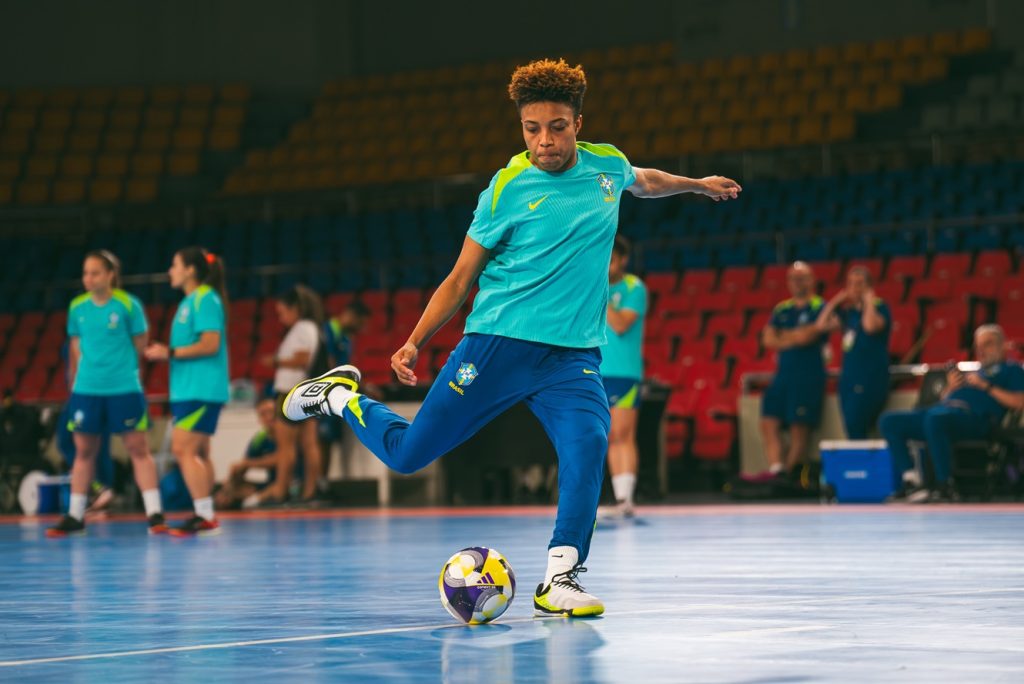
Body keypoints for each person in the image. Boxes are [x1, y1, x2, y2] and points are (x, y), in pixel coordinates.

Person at [281, 58, 740, 617]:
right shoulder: (505, 188)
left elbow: (645, 181)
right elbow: (459, 279)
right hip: (495, 345)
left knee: (589, 444)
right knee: (409, 455)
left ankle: (560, 578)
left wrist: (697, 185)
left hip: (571, 357)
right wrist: (414, 342)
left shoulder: (606, 165)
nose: (544, 140)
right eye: (531, 128)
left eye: (557, 126)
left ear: (578, 122)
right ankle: (339, 397)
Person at [47, 250, 166, 537]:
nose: (88, 278)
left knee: (138, 449)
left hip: (124, 388)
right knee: (84, 452)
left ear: (110, 274)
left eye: (95, 272)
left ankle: (155, 514)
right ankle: (75, 516)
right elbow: (75, 347)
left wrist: (119, 367)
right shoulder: (77, 307)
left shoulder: (129, 304)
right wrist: (74, 381)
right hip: (86, 391)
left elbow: (141, 343)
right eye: (85, 273)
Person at [880, 324, 1024, 503]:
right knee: (890, 421)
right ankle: (912, 481)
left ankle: (944, 486)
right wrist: (950, 388)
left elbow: (1019, 402)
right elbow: (944, 402)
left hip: (976, 418)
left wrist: (986, 386)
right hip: (944, 411)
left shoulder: (1012, 370)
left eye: (988, 344)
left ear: (1003, 345)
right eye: (978, 346)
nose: (981, 351)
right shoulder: (975, 371)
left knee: (936, 419)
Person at [144, 247, 230, 536]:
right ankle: (206, 514)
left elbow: (210, 344)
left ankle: (204, 516)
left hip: (200, 389)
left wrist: (168, 352)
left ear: (190, 270)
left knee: (183, 449)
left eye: (175, 265)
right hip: (189, 389)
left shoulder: (205, 299)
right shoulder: (191, 301)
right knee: (200, 452)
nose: (170, 271)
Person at [758, 262, 827, 479]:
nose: (796, 283)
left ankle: (789, 477)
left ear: (811, 279)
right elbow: (768, 339)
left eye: (801, 278)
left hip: (808, 375)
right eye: (792, 279)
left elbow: (809, 336)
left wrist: (786, 337)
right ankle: (776, 469)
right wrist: (795, 337)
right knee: (768, 421)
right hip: (783, 375)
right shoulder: (782, 308)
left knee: (799, 428)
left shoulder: (820, 306)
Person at [260, 285, 326, 504]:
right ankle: (309, 492)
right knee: (309, 443)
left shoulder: (302, 329)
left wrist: (275, 361)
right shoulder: (310, 328)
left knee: (287, 446)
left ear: (295, 308)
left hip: (290, 392)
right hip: (304, 392)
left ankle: (280, 491)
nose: (281, 318)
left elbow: (302, 360)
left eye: (282, 313)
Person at [598, 235, 647, 518]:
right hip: (594, 370)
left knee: (621, 434)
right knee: (604, 437)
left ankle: (625, 499)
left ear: (623, 261)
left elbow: (619, 324)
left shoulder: (633, 288)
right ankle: (617, 499)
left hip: (623, 373)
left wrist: (598, 287)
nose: (606, 265)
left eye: (611, 260)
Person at [815, 266, 891, 439]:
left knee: (857, 424)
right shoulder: (848, 314)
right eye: (850, 284)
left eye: (859, 284)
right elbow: (820, 326)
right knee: (850, 426)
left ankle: (864, 464)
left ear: (869, 286)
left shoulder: (880, 308)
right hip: (849, 378)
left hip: (870, 376)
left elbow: (870, 327)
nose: (854, 288)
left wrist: (868, 300)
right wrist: (836, 300)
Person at [319, 300, 371, 480]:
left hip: (336, 396)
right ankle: (313, 485)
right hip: (322, 395)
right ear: (350, 315)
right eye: (361, 323)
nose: (361, 328)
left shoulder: (347, 339)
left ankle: (321, 484)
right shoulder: (327, 331)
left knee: (327, 443)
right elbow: (331, 366)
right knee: (319, 442)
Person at [214, 397, 280, 510]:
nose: (269, 417)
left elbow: (282, 459)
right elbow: (243, 464)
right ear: (259, 419)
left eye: (271, 412)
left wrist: (249, 463)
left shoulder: (289, 435)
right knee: (233, 486)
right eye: (263, 414)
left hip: (290, 482)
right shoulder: (260, 438)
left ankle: (256, 500)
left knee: (279, 485)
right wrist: (228, 487)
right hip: (270, 483)